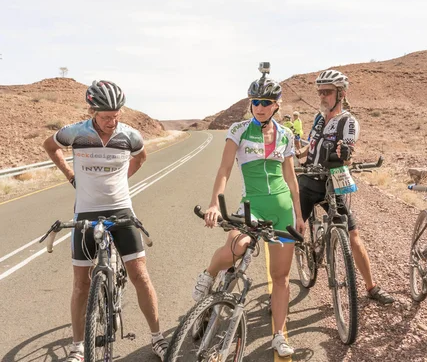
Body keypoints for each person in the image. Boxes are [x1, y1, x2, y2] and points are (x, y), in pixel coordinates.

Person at [42, 80, 168, 362]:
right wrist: (69, 175)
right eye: (105, 117)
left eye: (116, 115)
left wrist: (120, 182)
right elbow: (50, 147)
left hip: (122, 211)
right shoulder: (76, 133)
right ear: (92, 111)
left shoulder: (130, 136)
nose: (112, 122)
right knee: (80, 285)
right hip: (85, 212)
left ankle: (158, 338)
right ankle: (77, 347)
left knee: (140, 276)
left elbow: (141, 157)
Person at [192, 73, 305, 357]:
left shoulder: (286, 135)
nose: (260, 107)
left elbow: (292, 180)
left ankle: (278, 335)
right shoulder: (239, 129)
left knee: (280, 277)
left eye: (266, 102)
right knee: (236, 248)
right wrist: (215, 204)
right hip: (251, 206)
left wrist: (300, 216)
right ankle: (208, 274)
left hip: (282, 211)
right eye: (255, 101)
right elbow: (224, 169)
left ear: (276, 105)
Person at [295, 69, 394, 305]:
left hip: (333, 182)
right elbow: (311, 145)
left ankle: (371, 287)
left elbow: (348, 149)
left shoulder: (348, 122)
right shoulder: (319, 119)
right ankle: (280, 289)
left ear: (341, 94)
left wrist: (346, 155)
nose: (322, 96)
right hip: (308, 180)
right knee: (293, 231)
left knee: (353, 234)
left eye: (327, 92)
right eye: (320, 92)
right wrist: (295, 153)